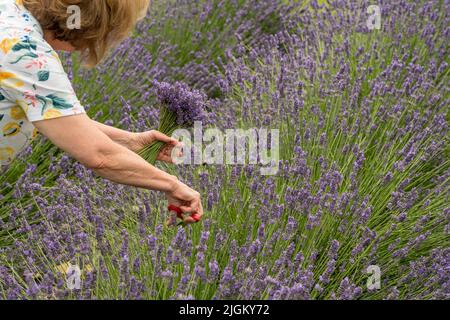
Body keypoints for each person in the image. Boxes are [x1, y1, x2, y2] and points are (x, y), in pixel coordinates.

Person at [0, 0, 203, 224]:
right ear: (90, 22)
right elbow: (100, 156)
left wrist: (129, 141)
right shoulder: (27, 54)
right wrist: (173, 185)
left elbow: (58, 118)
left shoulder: (10, 13)